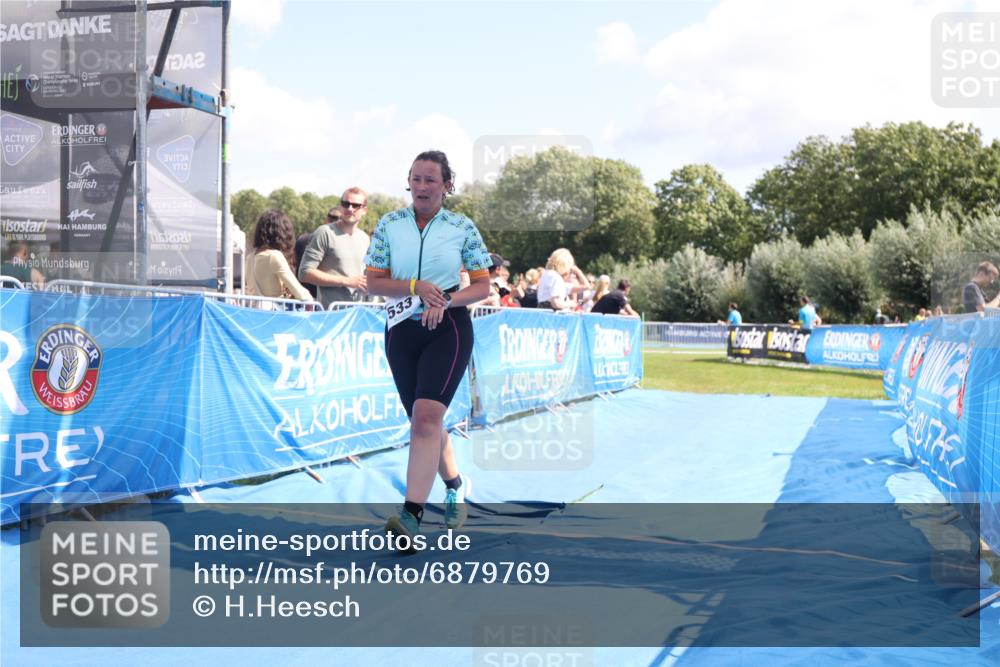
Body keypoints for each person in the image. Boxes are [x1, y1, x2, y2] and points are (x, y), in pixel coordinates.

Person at [364, 150, 491, 548]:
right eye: (415, 179)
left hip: (449, 329)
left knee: (424, 420)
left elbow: (483, 285)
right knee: (425, 422)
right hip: (401, 331)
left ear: (447, 186)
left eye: (430, 180)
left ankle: (411, 517)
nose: (421, 186)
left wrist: (444, 301)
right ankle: (455, 484)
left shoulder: (462, 227)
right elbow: (374, 282)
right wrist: (416, 288)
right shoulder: (389, 224)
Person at [299, 188, 371, 309]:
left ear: (364, 210)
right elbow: (304, 272)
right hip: (330, 315)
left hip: (357, 315)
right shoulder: (324, 232)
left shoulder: (365, 239)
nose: (350, 209)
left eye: (356, 205)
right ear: (340, 206)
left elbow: (364, 276)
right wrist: (347, 281)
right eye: (346, 204)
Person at [244, 209, 313, 302]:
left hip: (254, 313)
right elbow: (301, 293)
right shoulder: (274, 256)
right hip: (273, 314)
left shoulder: (250, 258)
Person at [295, 207, 343, 300]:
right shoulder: (338, 244)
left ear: (326, 219)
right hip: (322, 299)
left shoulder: (302, 239)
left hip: (303, 297)